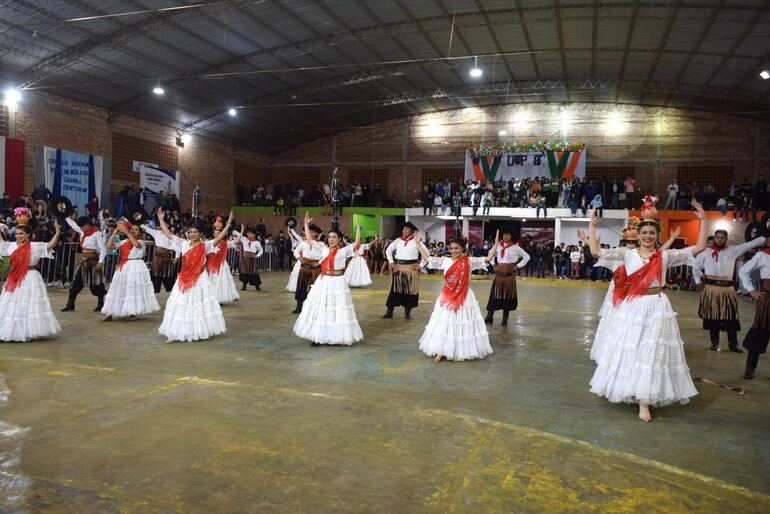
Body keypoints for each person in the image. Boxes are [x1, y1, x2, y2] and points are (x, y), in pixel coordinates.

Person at [588, 199, 707, 422]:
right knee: (631, 350)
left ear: (656, 235)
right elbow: (596, 251)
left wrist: (703, 221)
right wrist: (592, 226)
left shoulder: (664, 256)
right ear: (639, 235)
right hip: (632, 307)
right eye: (645, 233)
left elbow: (699, 248)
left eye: (652, 232)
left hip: (657, 307)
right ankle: (630, 390)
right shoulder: (627, 253)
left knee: (650, 353)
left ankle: (645, 402)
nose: (648, 236)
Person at [583, 222, 680, 363]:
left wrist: (671, 239)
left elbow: (661, 255)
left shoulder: (650, 256)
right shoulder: (622, 255)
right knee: (621, 332)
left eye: (633, 241)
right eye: (627, 241)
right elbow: (596, 252)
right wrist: (591, 227)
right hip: (620, 297)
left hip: (640, 297)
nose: (630, 244)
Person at [156, 208, 233, 343]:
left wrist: (228, 224)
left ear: (200, 234)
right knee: (180, 304)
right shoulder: (184, 244)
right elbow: (168, 234)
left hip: (199, 279)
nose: (192, 234)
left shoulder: (206, 245)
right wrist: (161, 219)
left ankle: (197, 330)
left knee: (197, 305)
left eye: (195, 232)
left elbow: (220, 237)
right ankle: (173, 333)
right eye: (190, 232)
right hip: (184, 278)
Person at [420, 233, 499, 362]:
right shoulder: (445, 261)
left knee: (462, 322)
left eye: (456, 248)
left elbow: (488, 258)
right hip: (448, 296)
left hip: (464, 296)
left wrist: (496, 244)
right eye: (451, 249)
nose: (454, 251)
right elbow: (427, 258)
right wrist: (418, 243)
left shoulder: (468, 261)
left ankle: (459, 349)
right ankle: (441, 350)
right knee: (445, 322)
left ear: (462, 248)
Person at [293, 213, 363, 346]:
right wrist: (306, 224)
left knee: (336, 309)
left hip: (338, 282)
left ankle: (334, 336)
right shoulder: (324, 249)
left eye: (334, 237)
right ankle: (317, 336)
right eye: (329, 237)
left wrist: (358, 229)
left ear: (340, 239)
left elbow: (357, 243)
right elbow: (309, 239)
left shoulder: (343, 251)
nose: (331, 239)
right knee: (321, 307)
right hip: (324, 281)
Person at [691, 229, 765, 352]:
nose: (719, 239)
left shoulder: (733, 250)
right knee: (712, 317)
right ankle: (714, 343)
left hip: (728, 289)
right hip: (711, 289)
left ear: (726, 239)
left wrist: (764, 237)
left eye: (722, 237)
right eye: (717, 237)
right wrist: (698, 281)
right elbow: (695, 267)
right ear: (714, 238)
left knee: (731, 318)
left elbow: (749, 245)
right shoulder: (705, 253)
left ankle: (733, 344)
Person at [0, 220, 62, 341]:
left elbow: (50, 245)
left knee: (29, 303)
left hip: (30, 276)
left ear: (28, 234)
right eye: (17, 233)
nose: (18, 236)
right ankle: (11, 330)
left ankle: (28, 330)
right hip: (14, 277)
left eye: (21, 233)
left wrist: (58, 232)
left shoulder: (35, 246)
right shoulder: (11, 245)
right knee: (12, 304)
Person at [101, 220, 159, 321]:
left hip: (136, 266)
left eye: (136, 230)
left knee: (133, 290)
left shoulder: (141, 242)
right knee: (117, 289)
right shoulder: (123, 242)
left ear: (140, 233)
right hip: (124, 266)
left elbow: (136, 245)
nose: (133, 231)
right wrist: (115, 231)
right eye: (132, 229)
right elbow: (109, 245)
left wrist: (127, 232)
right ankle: (110, 312)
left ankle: (132, 312)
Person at [383, 222, 430, 319]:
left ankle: (407, 312)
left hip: (411, 270)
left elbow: (427, 254)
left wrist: (420, 265)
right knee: (394, 291)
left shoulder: (417, 242)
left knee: (410, 291)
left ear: (411, 231)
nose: (404, 230)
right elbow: (388, 250)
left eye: (406, 229)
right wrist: (391, 262)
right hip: (399, 268)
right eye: (403, 229)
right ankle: (389, 311)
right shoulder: (397, 241)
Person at [485, 225, 530, 326]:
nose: (505, 236)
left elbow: (527, 256)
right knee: (494, 296)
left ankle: (504, 319)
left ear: (511, 236)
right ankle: (489, 317)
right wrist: (493, 264)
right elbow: (489, 253)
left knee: (507, 298)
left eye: (508, 235)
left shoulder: (516, 248)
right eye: (504, 234)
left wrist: (518, 266)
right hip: (498, 277)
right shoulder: (497, 246)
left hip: (509, 277)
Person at [61, 216, 107, 312]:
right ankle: (70, 304)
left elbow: (103, 249)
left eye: (82, 226)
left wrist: (101, 262)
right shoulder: (83, 232)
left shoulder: (96, 234)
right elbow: (74, 226)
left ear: (87, 225)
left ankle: (101, 303)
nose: (80, 228)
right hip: (84, 260)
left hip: (94, 261)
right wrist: (65, 216)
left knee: (96, 283)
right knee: (77, 282)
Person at [738, 240, 770, 379]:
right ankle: (750, 367)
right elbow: (743, 271)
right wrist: (751, 290)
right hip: (768, 298)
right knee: (759, 331)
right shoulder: (763, 255)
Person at [206, 218, 240, 304]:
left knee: (220, 282)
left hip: (221, 265)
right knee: (212, 281)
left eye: (218, 233)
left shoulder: (225, 243)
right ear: (213, 234)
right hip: (211, 265)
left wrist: (241, 231)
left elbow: (237, 241)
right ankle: (212, 298)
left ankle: (219, 299)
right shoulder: (210, 243)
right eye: (215, 233)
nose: (217, 234)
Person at [293, 223, 324, 313]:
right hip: (304, 268)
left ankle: (314, 307)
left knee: (315, 288)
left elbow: (325, 255)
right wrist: (299, 257)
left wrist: (319, 262)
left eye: (313, 232)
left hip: (316, 269)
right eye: (309, 231)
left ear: (316, 234)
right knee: (301, 286)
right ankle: (299, 306)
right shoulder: (303, 243)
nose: (310, 233)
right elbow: (296, 251)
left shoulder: (321, 244)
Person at [142, 222, 179, 293]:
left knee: (169, 277)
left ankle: (173, 294)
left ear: (168, 226)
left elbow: (177, 247)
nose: (163, 226)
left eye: (165, 224)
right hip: (157, 258)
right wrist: (138, 221)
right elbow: (146, 229)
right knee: (155, 276)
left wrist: (176, 257)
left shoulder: (171, 235)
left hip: (167, 258)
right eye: (161, 224)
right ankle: (155, 292)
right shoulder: (156, 233)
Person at [234, 226, 263, 291]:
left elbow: (261, 250)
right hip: (244, 260)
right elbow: (236, 233)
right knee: (244, 273)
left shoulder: (257, 242)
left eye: (250, 234)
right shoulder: (244, 239)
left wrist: (257, 255)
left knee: (254, 273)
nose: (248, 235)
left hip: (252, 260)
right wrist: (242, 229)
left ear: (254, 235)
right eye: (248, 233)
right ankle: (244, 286)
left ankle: (257, 286)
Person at [285, 226, 303, 293]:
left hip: (306, 260)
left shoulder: (308, 242)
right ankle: (295, 287)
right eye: (302, 236)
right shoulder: (298, 242)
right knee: (295, 273)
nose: (303, 237)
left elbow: (296, 236)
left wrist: (291, 230)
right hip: (300, 260)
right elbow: (293, 236)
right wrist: (289, 231)